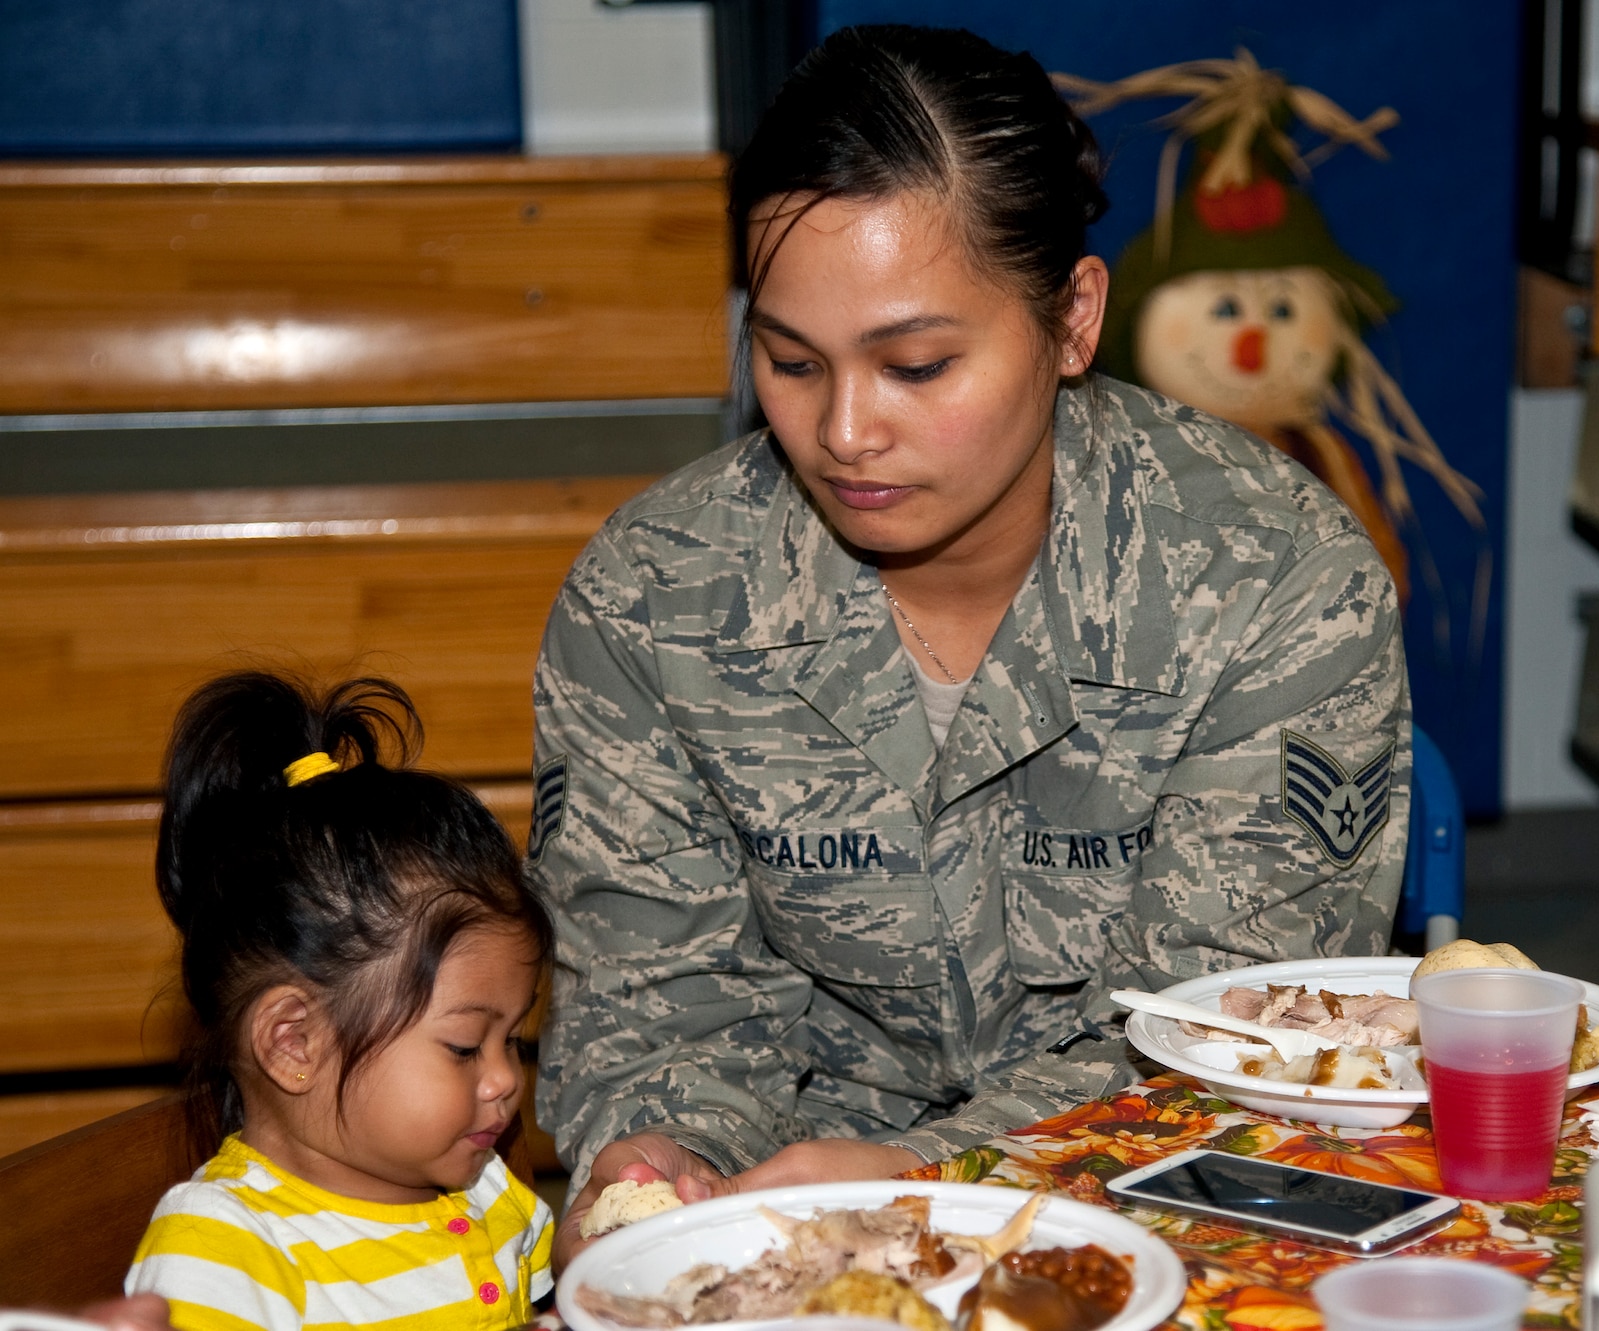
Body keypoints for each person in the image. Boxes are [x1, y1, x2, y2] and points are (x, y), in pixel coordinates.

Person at [533, 23, 1411, 1266]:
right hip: (780, 1220)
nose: (843, 430)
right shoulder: (652, 602)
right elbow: (656, 1008)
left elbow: (1236, 1049)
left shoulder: (1269, 579)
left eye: (916, 364)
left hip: (1160, 1201)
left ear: (1070, 320)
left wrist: (937, 1177)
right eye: (789, 361)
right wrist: (657, 1157)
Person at [124, 673, 557, 1328]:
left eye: (513, 1040)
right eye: (465, 1047)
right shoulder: (222, 1255)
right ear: (295, 1042)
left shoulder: (486, 1190)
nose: (503, 1079)